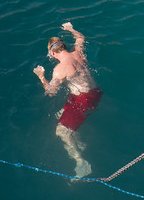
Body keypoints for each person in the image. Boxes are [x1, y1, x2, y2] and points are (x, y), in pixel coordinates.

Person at [33, 22, 101, 178]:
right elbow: (80, 38)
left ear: (52, 52)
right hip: (94, 93)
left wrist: (41, 76)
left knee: (61, 132)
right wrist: (71, 29)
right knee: (60, 115)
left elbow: (51, 92)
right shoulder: (77, 52)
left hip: (83, 100)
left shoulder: (59, 70)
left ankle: (81, 163)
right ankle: (79, 143)